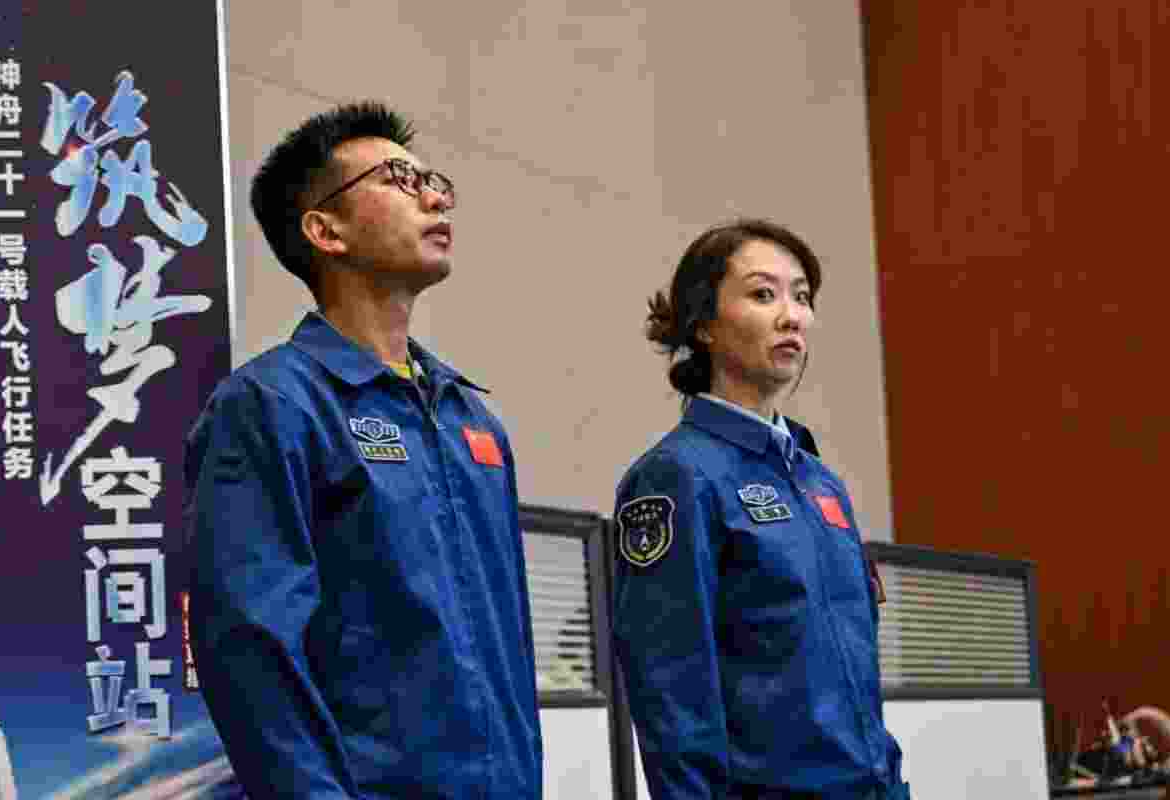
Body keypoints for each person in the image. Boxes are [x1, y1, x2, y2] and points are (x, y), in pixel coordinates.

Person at [184, 101, 543, 799]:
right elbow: (252, 652)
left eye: (432, 181)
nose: (434, 197)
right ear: (325, 230)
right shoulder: (272, 406)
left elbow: (509, 646)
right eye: (398, 180)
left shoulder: (472, 420)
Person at [611, 219, 909, 800]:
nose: (792, 315)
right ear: (702, 326)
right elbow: (671, 692)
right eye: (762, 294)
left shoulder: (821, 482)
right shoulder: (676, 476)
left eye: (801, 296)